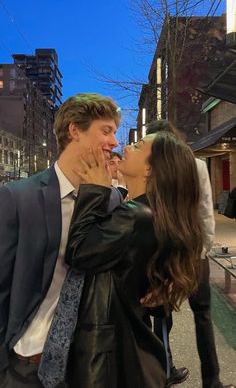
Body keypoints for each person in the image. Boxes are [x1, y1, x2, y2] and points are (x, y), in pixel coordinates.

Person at [0, 93, 122, 388]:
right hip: (28, 364)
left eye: (115, 133)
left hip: (93, 365)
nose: (114, 142)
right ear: (74, 130)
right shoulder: (18, 197)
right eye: (106, 131)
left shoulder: (113, 200)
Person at [63, 132, 203, 387]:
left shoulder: (135, 216)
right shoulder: (152, 212)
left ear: (150, 169)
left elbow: (79, 251)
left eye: (138, 146)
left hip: (106, 357)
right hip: (130, 347)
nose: (125, 148)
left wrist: (94, 190)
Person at [146, 120, 235, 388]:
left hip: (161, 252)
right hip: (194, 252)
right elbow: (205, 212)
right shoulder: (195, 165)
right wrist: (202, 251)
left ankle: (164, 372)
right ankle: (212, 380)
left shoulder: (151, 170)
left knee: (161, 317)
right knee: (203, 315)